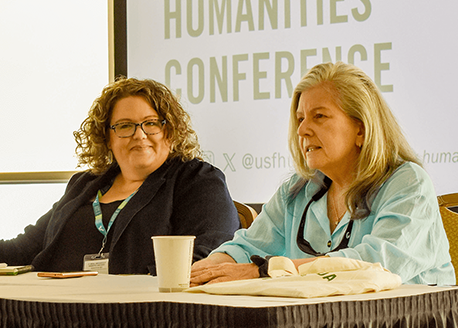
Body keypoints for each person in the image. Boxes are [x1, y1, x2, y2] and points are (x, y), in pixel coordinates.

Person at [191, 61, 455, 286]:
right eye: (300, 118)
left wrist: (269, 270)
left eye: (319, 116)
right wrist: (207, 270)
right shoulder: (297, 190)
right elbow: (246, 247)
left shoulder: (408, 183)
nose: (302, 130)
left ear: (361, 129)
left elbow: (375, 268)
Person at [0, 77, 240, 274]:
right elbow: (27, 246)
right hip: (57, 307)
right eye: (124, 126)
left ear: (169, 131)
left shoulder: (198, 180)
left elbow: (211, 253)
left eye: (151, 123)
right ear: (107, 138)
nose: (139, 134)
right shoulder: (84, 185)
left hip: (141, 310)